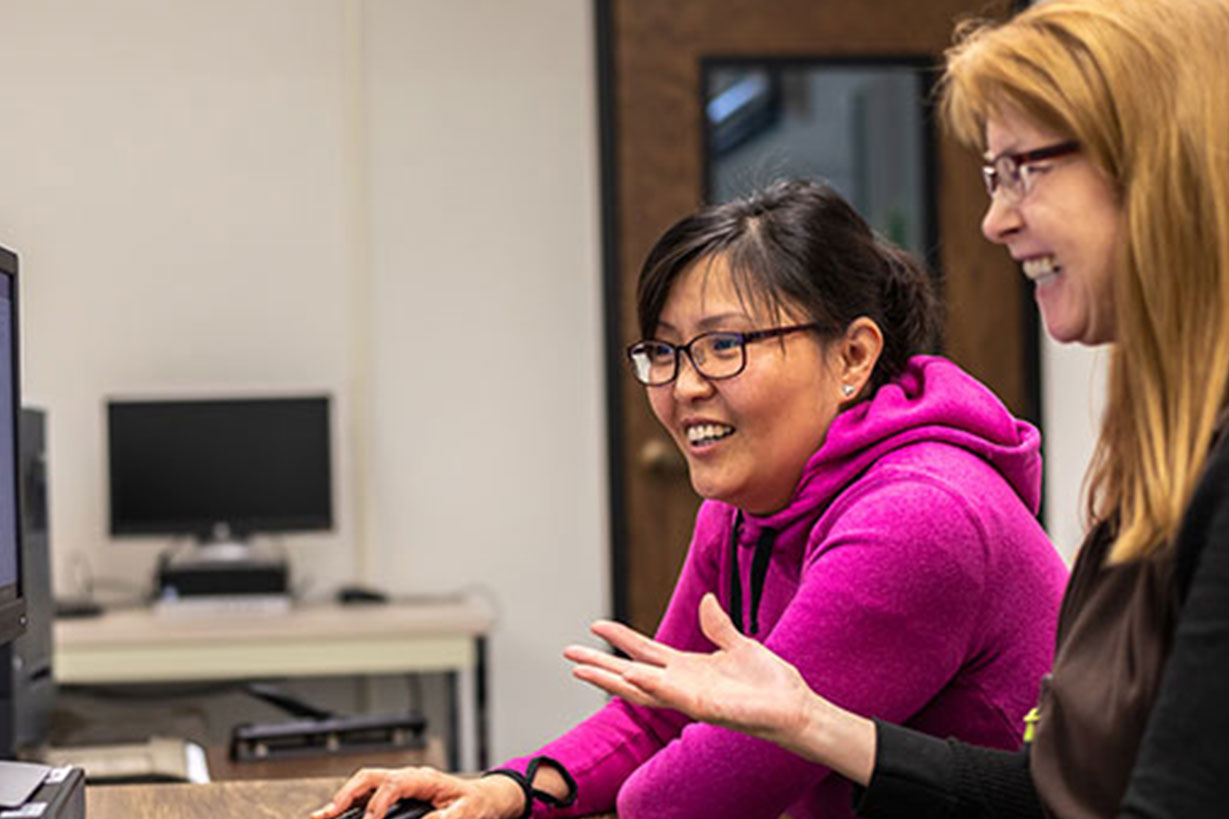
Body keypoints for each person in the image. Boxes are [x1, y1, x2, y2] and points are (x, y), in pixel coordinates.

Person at [566, 1, 1229, 817]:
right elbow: (1058, 794)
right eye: (993, 175)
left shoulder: (923, 512)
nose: (994, 218)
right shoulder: (1158, 458)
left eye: (1025, 168)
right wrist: (807, 720)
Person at [312, 180, 1068, 819]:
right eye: (665, 352)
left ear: (853, 355)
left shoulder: (916, 518)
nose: (684, 386)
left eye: (723, 345)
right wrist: (507, 788)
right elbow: (661, 710)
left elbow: (691, 796)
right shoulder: (749, 500)